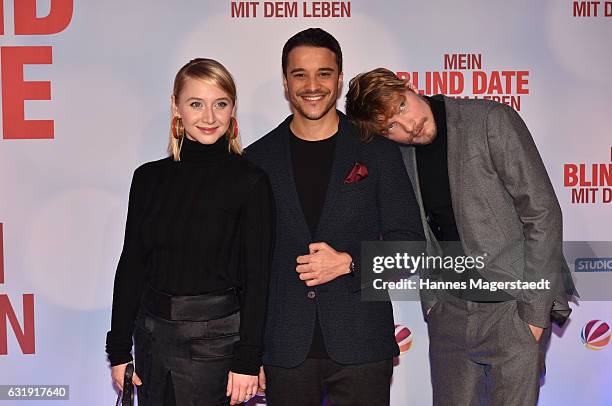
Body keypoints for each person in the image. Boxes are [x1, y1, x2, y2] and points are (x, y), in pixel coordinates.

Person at [345, 67, 576, 406]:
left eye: (402, 107)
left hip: (512, 310)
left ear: (407, 88)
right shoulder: (399, 155)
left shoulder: (489, 120)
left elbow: (542, 212)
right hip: (449, 314)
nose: (408, 127)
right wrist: (434, 304)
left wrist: (534, 316)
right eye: (390, 126)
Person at [245, 29, 423, 406]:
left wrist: (350, 263)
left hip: (362, 345)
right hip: (284, 349)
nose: (312, 85)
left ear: (339, 79)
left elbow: (410, 244)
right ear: (285, 82)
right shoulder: (257, 161)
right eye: (300, 74)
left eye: (324, 73)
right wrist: (248, 351)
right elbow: (248, 266)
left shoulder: (376, 152)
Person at [105, 58, 273, 406]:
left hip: (217, 344)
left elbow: (259, 278)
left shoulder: (250, 181)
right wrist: (119, 348)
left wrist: (248, 359)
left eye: (220, 104)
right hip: (151, 340)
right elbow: (132, 264)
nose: (209, 117)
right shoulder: (148, 179)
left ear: (232, 109)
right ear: (176, 107)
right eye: (196, 103)